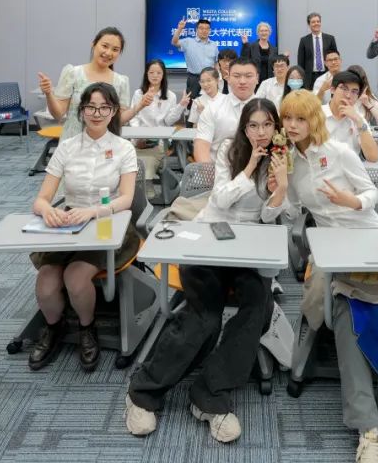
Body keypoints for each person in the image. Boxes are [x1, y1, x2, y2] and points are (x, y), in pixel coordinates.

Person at [126, 99, 289, 442]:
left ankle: (209, 394)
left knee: (258, 307)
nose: (260, 132)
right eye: (253, 125)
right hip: (210, 237)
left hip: (247, 248)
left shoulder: (281, 157)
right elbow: (221, 201)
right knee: (205, 315)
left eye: (267, 125)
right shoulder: (230, 149)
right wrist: (250, 168)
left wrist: (281, 190)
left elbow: (270, 217)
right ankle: (143, 392)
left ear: (276, 127)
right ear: (244, 128)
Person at [280, 90, 378, 463]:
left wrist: (351, 201)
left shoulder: (339, 152)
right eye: (287, 118)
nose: (292, 126)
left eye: (300, 118)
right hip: (331, 250)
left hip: (368, 241)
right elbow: (290, 211)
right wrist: (278, 185)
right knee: (349, 313)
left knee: (372, 315)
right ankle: (370, 430)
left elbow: (370, 194)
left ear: (314, 120)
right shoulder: (288, 162)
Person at [27, 82, 138, 371]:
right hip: (69, 223)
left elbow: (126, 199)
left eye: (104, 107)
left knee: (76, 278)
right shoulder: (67, 147)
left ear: (113, 111)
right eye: (91, 107)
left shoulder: (124, 148)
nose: (97, 113)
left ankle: (87, 328)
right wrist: (48, 210)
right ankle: (54, 327)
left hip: (107, 223)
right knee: (46, 285)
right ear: (82, 110)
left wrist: (93, 211)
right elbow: (40, 200)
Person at [38, 27, 135, 139]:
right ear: (93, 44)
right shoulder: (73, 73)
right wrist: (49, 94)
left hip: (106, 144)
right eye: (105, 46)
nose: (108, 52)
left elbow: (119, 120)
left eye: (115, 49)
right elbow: (58, 114)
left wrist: (139, 106)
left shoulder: (121, 82)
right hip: (73, 142)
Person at [128, 59, 190, 184]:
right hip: (138, 140)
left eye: (158, 73)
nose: (155, 76)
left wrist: (181, 105)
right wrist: (137, 137)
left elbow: (168, 121)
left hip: (159, 142)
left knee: (147, 163)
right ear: (146, 74)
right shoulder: (139, 94)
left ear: (163, 75)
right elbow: (134, 117)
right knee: (131, 163)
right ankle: (138, 189)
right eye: (151, 72)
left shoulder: (170, 96)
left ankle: (147, 187)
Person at [194, 57, 259, 164]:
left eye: (248, 76)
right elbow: (201, 145)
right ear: (228, 78)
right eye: (236, 76)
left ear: (257, 78)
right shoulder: (213, 108)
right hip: (216, 170)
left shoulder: (267, 108)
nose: (242, 81)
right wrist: (210, 172)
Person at [324, 70, 378, 162]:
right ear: (332, 89)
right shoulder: (316, 114)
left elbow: (373, 157)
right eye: (344, 88)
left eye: (354, 92)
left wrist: (358, 121)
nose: (348, 95)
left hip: (349, 169)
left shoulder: (358, 118)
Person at [172, 17, 219, 98]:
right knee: (192, 101)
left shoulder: (213, 45)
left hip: (210, 78)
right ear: (196, 30)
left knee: (211, 101)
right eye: (201, 28)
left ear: (209, 30)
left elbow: (216, 62)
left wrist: (216, 77)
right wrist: (180, 29)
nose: (204, 31)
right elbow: (174, 42)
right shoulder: (188, 42)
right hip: (194, 79)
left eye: (207, 28)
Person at [297, 12, 337, 91]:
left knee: (327, 95)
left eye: (318, 21)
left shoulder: (330, 39)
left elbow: (335, 57)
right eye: (313, 22)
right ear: (309, 24)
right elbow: (300, 62)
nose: (316, 24)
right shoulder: (304, 40)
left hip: (327, 74)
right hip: (310, 77)